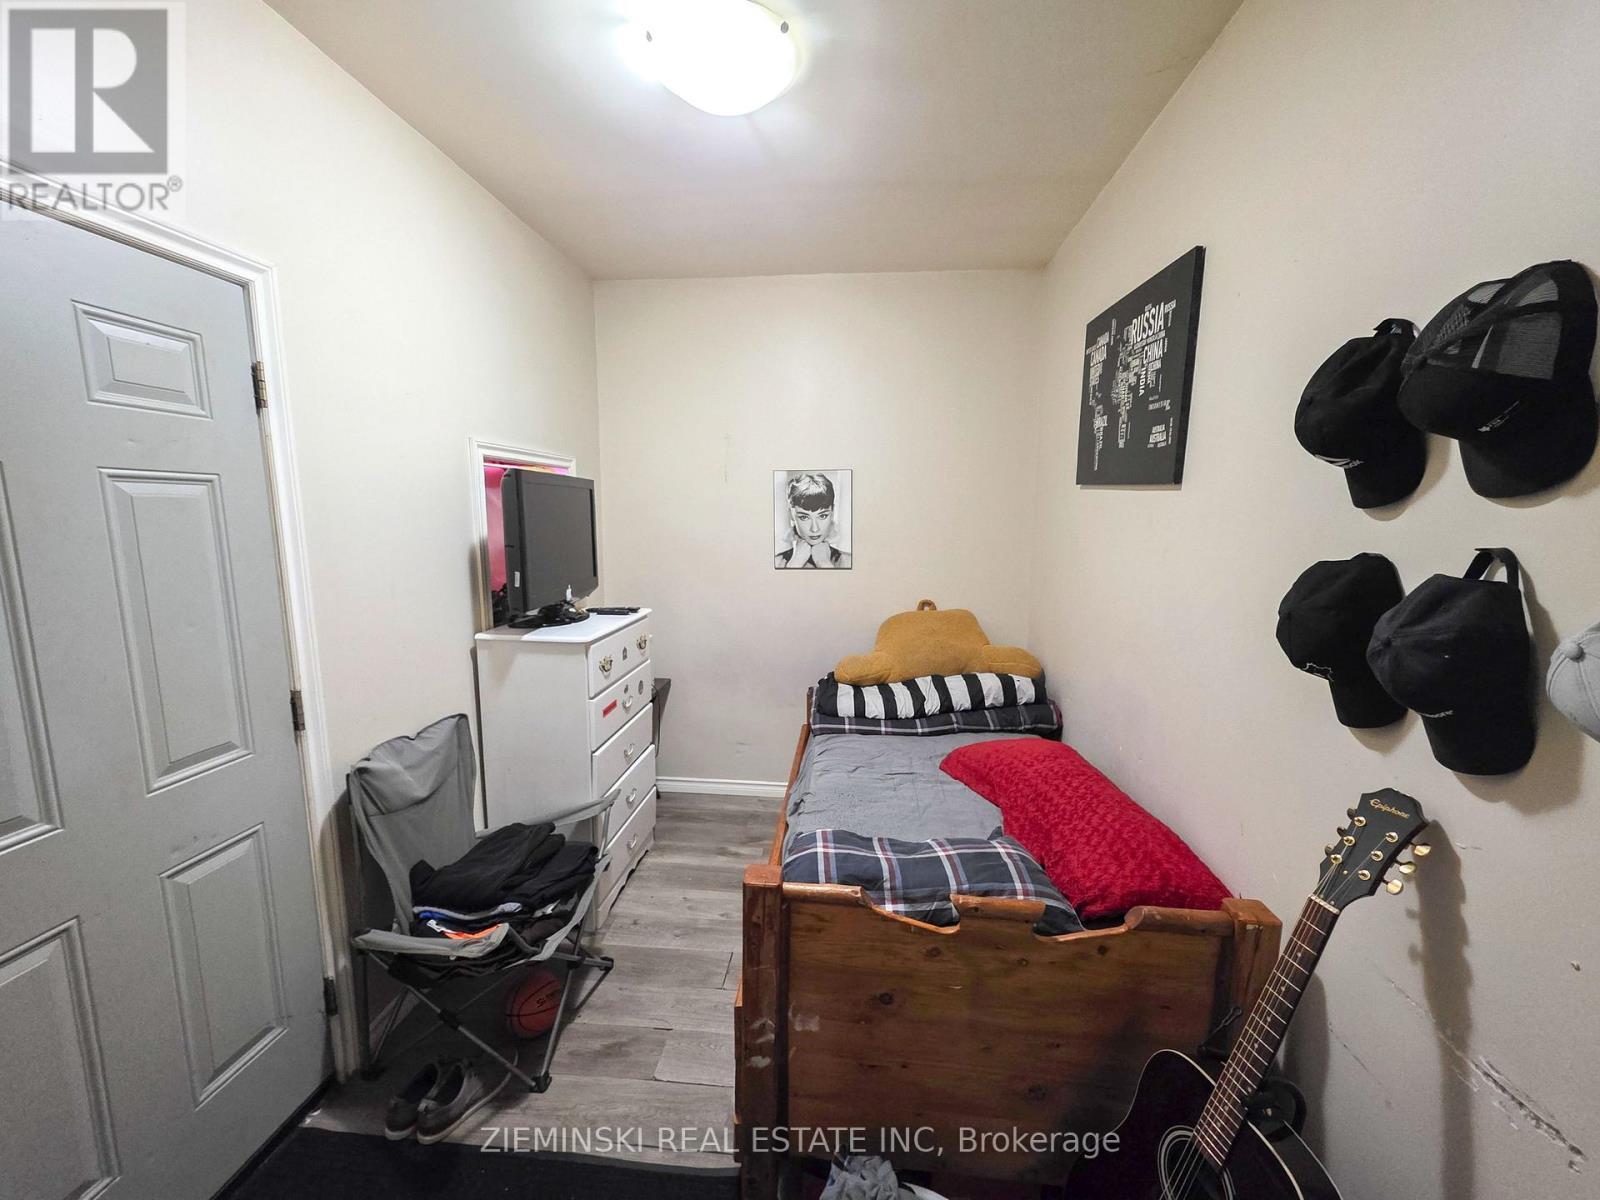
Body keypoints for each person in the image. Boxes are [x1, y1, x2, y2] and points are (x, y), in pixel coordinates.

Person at [775, 472, 851, 569]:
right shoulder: (776, 563)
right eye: (804, 517)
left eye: (823, 516)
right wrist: (795, 563)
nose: (815, 529)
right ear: (791, 514)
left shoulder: (849, 562)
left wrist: (824, 563)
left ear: (832, 512)